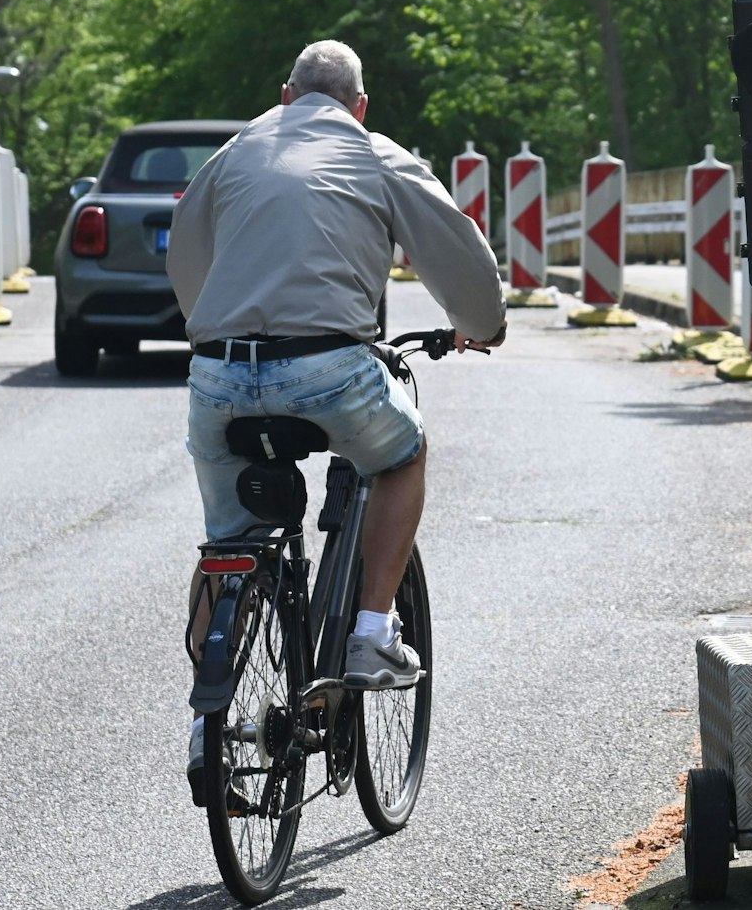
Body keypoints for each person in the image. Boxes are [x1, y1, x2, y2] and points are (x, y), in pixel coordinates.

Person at [167, 39, 505, 794]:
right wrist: (481, 321)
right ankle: (373, 633)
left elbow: (187, 254)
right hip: (328, 369)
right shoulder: (373, 150)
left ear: (286, 95)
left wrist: (216, 333)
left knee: (228, 540)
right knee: (402, 455)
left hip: (218, 372)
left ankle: (206, 719)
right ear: (359, 105)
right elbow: (457, 250)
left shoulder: (234, 151)